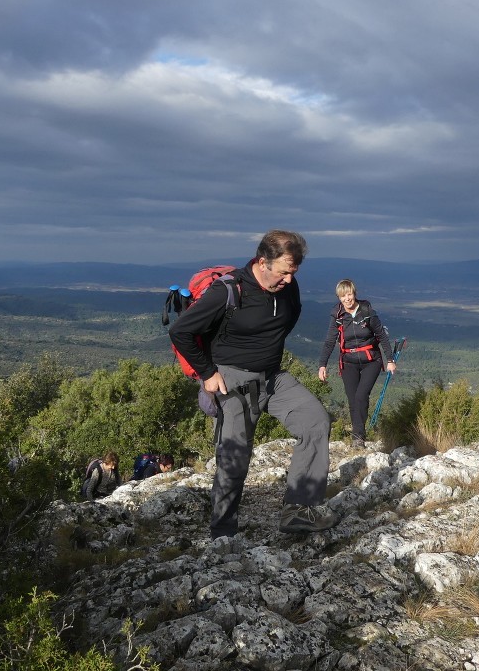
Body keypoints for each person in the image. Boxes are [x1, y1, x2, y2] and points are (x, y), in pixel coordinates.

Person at [168, 230, 337, 538]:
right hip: (231, 379)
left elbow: (289, 318)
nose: (288, 280)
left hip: (273, 377)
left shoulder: (289, 289)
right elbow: (180, 331)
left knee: (315, 420)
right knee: (235, 455)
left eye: (293, 273)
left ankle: (301, 511)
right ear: (263, 262)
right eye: (284, 272)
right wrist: (207, 373)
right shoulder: (229, 291)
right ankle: (223, 531)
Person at [317, 279, 396, 449]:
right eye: (343, 296)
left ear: (355, 294)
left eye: (349, 294)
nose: (347, 299)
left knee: (361, 396)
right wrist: (322, 365)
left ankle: (359, 436)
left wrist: (390, 360)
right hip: (348, 362)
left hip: (371, 360)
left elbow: (381, 335)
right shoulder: (337, 316)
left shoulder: (367, 311)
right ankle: (357, 437)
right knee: (353, 400)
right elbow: (330, 341)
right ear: (339, 297)